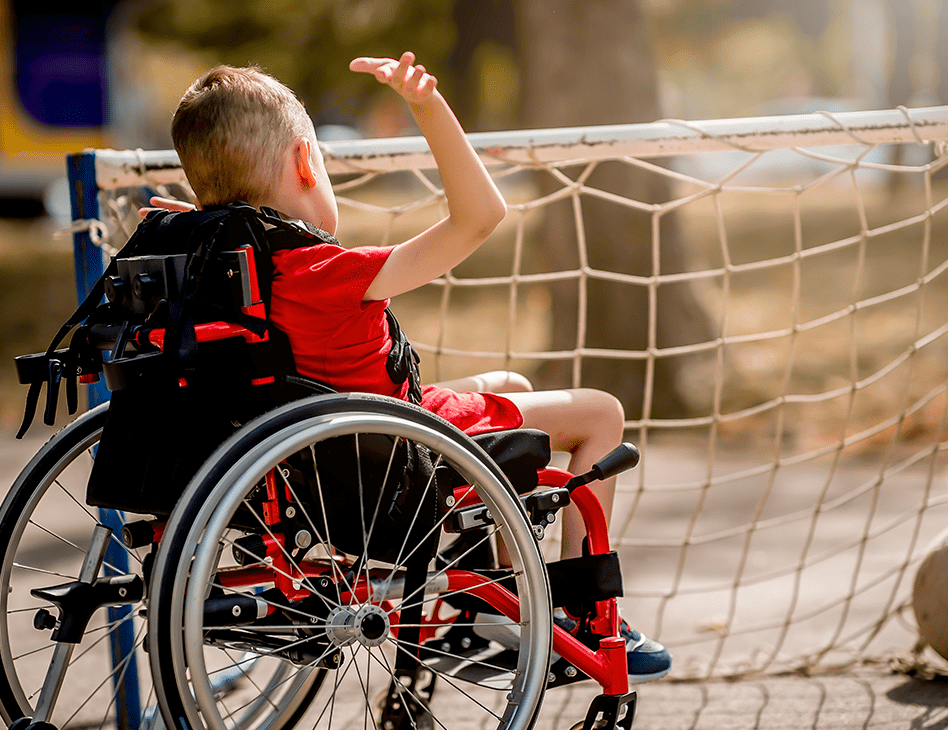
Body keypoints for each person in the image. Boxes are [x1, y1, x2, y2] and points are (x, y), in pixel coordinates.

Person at [160, 53, 670, 684]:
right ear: (305, 163)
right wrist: (428, 106)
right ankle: (579, 614)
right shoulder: (328, 272)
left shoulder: (207, 280)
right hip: (387, 459)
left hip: (296, 463)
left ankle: (493, 589)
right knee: (601, 412)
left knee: (509, 387)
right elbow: (480, 217)